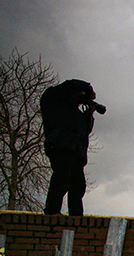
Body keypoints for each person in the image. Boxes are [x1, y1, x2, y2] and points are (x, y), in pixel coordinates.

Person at [40, 79, 99, 216]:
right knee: (62, 179)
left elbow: (84, 132)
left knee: (78, 186)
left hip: (76, 152)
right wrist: (88, 89)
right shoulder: (54, 99)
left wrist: (88, 116)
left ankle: (76, 216)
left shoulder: (75, 114)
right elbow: (71, 84)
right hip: (61, 146)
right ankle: (52, 211)